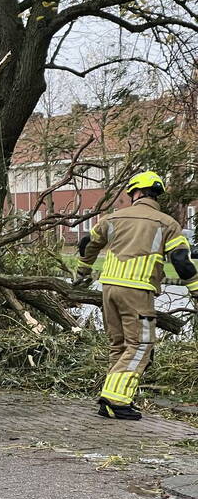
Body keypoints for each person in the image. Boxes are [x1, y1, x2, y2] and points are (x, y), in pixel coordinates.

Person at [75, 171, 198, 420]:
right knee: (141, 344)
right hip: (137, 290)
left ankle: (111, 401)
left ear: (136, 193)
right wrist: (195, 290)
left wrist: (83, 270)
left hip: (108, 288)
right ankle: (115, 399)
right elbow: (182, 262)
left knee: (118, 346)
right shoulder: (166, 224)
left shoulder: (112, 218)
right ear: (156, 195)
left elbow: (87, 242)